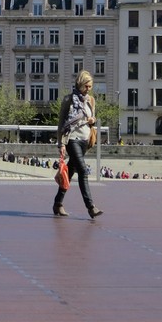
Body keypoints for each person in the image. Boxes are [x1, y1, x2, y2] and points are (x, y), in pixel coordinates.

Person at [54, 70, 103, 219]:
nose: (88, 89)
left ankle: (57, 203)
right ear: (80, 84)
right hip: (72, 139)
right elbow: (62, 122)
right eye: (86, 86)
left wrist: (92, 120)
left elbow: (92, 118)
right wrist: (61, 143)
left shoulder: (91, 100)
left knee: (70, 172)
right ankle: (91, 207)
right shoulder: (69, 99)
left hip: (85, 140)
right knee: (83, 171)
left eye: (90, 87)